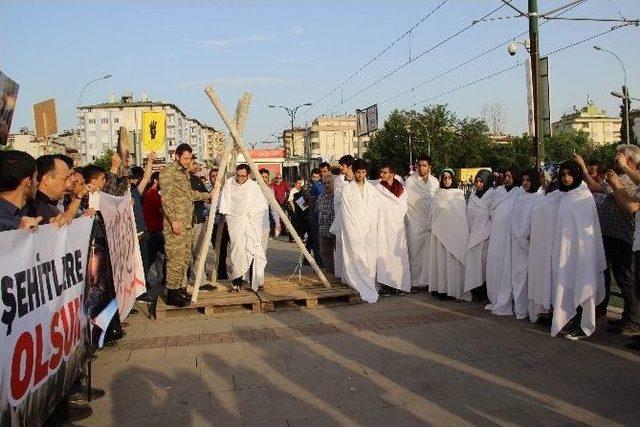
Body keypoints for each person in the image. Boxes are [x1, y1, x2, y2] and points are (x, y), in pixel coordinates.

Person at [575, 147, 640, 335]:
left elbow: (630, 206)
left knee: (626, 279)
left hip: (623, 237)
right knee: (616, 278)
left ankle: (633, 321)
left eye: (620, 156)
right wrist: (583, 169)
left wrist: (616, 184)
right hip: (609, 235)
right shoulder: (619, 177)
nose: (616, 159)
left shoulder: (630, 179)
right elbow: (597, 188)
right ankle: (625, 318)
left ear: (630, 161)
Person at [550, 160, 606, 338]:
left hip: (582, 253)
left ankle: (585, 326)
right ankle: (572, 320)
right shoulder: (566, 196)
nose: (566, 178)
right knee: (568, 284)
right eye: (563, 175)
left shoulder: (583, 196)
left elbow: (586, 229)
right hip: (566, 252)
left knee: (583, 284)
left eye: (570, 174)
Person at [159, 143, 212, 307]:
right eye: (185, 158)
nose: (188, 161)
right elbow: (166, 199)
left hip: (186, 223)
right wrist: (174, 220)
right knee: (174, 258)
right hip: (175, 224)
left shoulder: (183, 174)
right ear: (177, 156)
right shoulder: (168, 172)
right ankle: (172, 293)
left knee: (183, 258)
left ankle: (179, 289)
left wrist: (206, 195)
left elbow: (187, 194)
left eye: (190, 158)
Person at [219, 164, 269, 292]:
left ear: (248, 176)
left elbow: (261, 205)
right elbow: (225, 202)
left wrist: (250, 215)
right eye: (238, 175)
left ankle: (254, 282)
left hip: (251, 224)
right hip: (235, 223)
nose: (240, 178)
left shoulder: (253, 187)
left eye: (243, 176)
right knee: (237, 252)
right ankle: (237, 281)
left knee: (252, 250)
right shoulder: (230, 184)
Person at [338, 159, 379, 303]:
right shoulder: (347, 190)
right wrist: (355, 232)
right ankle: (357, 282)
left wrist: (368, 229)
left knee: (369, 258)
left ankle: (369, 283)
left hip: (369, 230)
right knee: (356, 256)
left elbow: (374, 212)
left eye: (363, 172)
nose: (360, 175)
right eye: (358, 172)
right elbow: (347, 213)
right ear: (354, 172)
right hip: (353, 231)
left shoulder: (372, 190)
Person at [485, 167, 523, 315]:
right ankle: (495, 296)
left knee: (508, 267)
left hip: (511, 237)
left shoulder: (519, 193)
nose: (507, 178)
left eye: (510, 176)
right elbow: (491, 210)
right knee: (495, 265)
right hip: (497, 235)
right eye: (506, 176)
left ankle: (509, 299)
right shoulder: (498, 192)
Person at [428, 169, 470, 301]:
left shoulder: (458, 195)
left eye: (449, 178)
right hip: (440, 235)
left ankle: (452, 289)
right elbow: (434, 213)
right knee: (441, 262)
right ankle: (441, 289)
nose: (446, 180)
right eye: (444, 178)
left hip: (454, 234)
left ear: (453, 179)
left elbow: (460, 216)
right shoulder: (437, 193)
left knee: (452, 262)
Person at [509, 168, 542, 319]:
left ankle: (534, 311)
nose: (525, 183)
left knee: (532, 278)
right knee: (519, 277)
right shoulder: (519, 196)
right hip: (517, 244)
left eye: (528, 180)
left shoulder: (539, 198)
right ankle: (521, 309)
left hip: (532, 245)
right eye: (523, 180)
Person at [404, 155, 439, 289]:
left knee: (429, 253)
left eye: (424, 165)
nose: (421, 168)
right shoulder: (410, 181)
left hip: (430, 222)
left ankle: (428, 281)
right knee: (414, 251)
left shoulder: (435, 182)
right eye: (419, 165)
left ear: (430, 167)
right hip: (414, 222)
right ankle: (414, 282)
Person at [375, 163, 410, 293]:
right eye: (381, 172)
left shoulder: (402, 189)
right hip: (383, 228)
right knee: (384, 255)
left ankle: (399, 285)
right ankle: (386, 285)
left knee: (398, 257)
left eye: (384, 172)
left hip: (397, 228)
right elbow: (377, 206)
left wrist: (392, 213)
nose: (381, 175)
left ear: (392, 174)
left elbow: (402, 207)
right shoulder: (377, 188)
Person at [464, 169, 495, 297]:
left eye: (482, 181)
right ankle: (476, 290)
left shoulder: (493, 195)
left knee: (485, 265)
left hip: (487, 235)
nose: (478, 184)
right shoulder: (472, 196)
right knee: (474, 264)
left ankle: (485, 291)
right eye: (476, 181)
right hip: (474, 234)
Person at [25, 154, 73, 226]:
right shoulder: (33, 212)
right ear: (46, 179)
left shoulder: (50, 208)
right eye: (65, 179)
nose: (68, 185)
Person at [0, 150, 41, 231]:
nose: (37, 183)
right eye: (35, 177)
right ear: (28, 181)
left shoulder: (27, 212)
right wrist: (17, 235)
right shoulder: (4, 222)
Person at [329, 154, 355, 281]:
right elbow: (340, 198)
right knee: (341, 246)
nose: (340, 167)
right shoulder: (340, 179)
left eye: (342, 165)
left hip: (355, 218)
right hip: (341, 217)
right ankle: (342, 274)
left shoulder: (357, 178)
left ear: (349, 166)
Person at [188, 159, 209, 283]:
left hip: (198, 220)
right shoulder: (181, 180)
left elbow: (207, 197)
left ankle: (201, 281)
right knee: (185, 256)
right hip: (186, 222)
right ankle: (182, 283)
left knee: (199, 252)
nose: (196, 166)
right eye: (193, 163)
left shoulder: (197, 180)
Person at [317, 173, 336, 274]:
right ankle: (330, 272)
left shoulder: (337, 197)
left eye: (329, 183)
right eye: (325, 183)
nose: (327, 185)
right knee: (324, 252)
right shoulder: (321, 197)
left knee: (338, 253)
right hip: (323, 230)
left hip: (334, 230)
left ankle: (338, 273)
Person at [287, 177, 307, 242]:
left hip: (301, 209)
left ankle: (301, 237)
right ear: (295, 184)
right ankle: (292, 238)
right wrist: (293, 208)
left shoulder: (302, 190)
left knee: (301, 223)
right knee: (294, 224)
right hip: (295, 209)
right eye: (298, 183)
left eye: (300, 183)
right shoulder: (293, 190)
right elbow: (290, 200)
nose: (299, 184)